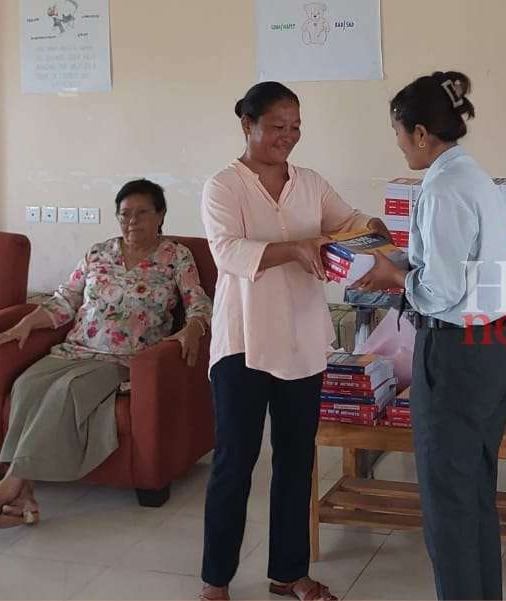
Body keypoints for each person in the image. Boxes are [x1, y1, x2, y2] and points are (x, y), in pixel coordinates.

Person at [199, 81, 389, 601]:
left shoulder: (309, 182)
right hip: (244, 342)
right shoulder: (224, 186)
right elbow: (227, 251)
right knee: (234, 463)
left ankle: (289, 573)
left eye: (295, 127)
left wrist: (369, 227)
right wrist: (295, 248)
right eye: (277, 127)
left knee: (296, 461)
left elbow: (344, 222)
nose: (288, 137)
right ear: (247, 125)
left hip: (303, 340)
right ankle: (216, 580)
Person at [351, 71, 506, 600]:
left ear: (421, 132)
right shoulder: (472, 176)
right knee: (474, 493)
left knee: (447, 504)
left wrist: (391, 276)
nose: (399, 144)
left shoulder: (442, 188)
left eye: (399, 133)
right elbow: (464, 270)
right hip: (493, 345)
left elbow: (441, 289)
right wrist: (402, 260)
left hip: (455, 355)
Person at [0, 179, 212, 533]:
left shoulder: (175, 256)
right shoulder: (99, 253)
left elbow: (197, 301)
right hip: (75, 348)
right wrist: (29, 322)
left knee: (66, 392)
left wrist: (194, 327)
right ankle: (25, 498)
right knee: (26, 385)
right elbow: (66, 299)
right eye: (125, 214)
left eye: (142, 213)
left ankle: (11, 485)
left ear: (160, 216)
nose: (132, 221)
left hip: (126, 359)